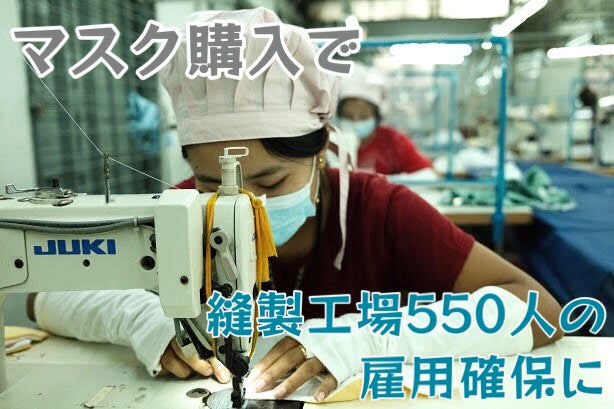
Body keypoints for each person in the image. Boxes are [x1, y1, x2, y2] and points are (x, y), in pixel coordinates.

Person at [28, 8, 563, 403]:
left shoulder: (382, 212)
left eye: (270, 180)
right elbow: (41, 293)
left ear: (322, 149)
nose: (245, 208)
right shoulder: (181, 209)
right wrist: (140, 321)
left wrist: (368, 342)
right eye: (215, 184)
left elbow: (539, 310)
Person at [337, 63, 433, 174]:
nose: (355, 121)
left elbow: (426, 174)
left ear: (376, 117)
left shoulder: (393, 142)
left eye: (363, 116)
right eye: (348, 116)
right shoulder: (331, 142)